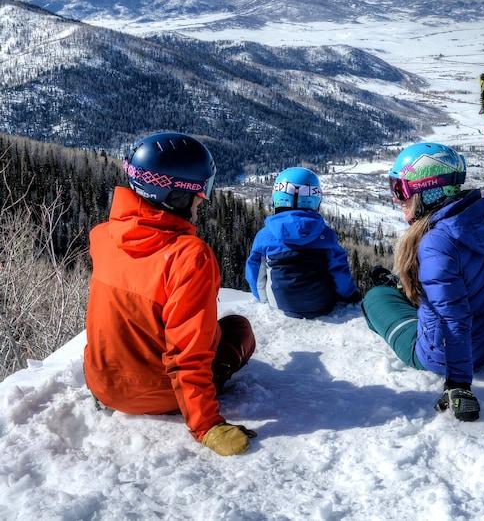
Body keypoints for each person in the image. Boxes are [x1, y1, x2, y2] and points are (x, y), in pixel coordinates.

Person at [84, 132, 257, 457]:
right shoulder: (189, 256)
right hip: (161, 394)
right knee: (238, 330)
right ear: (175, 196)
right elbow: (188, 354)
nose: (202, 200)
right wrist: (206, 425)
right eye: (199, 192)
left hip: (103, 386)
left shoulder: (102, 237)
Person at [362, 142, 484, 421]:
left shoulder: (436, 243)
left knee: (374, 298)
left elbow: (453, 319)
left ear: (428, 190)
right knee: (408, 292)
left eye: (401, 190)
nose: (397, 199)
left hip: (445, 355)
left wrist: (458, 384)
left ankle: (383, 297)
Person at [245, 167, 360, 318]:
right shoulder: (325, 235)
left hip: (279, 305)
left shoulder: (265, 236)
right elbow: (339, 272)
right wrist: (349, 296)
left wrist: (263, 300)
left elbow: (255, 273)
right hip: (323, 305)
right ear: (315, 198)